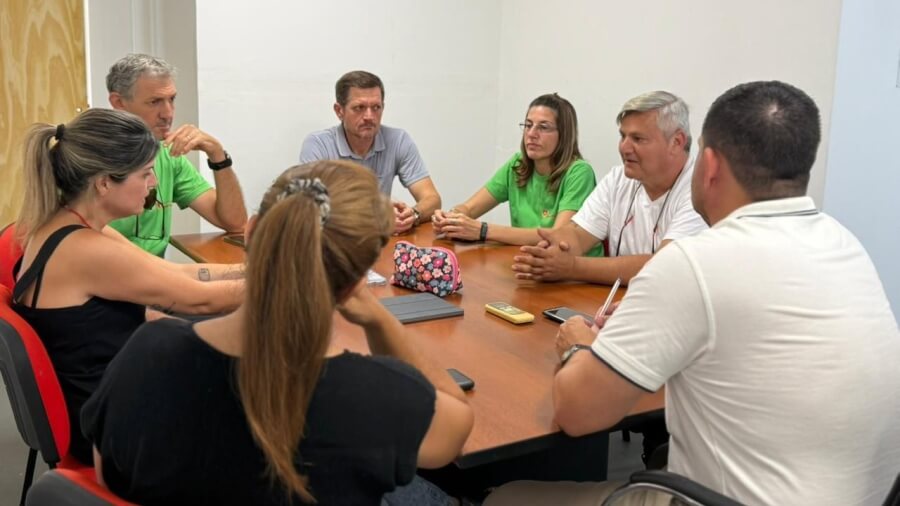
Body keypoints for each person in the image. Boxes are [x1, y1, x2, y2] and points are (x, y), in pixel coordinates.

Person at [487, 81, 900, 505]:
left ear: (709, 163)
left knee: (507, 497)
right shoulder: (845, 244)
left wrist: (579, 345)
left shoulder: (693, 261)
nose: (625, 147)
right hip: (861, 495)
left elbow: (577, 414)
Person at [82, 161, 474, 504]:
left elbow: (108, 475)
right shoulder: (378, 394)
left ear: (251, 232)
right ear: (358, 278)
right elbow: (454, 428)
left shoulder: (149, 351)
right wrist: (379, 319)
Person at [12, 109, 243, 466]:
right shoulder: (86, 250)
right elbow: (201, 302)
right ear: (105, 183)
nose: (154, 183)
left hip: (108, 401)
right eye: (145, 173)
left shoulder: (70, 223)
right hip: (113, 432)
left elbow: (174, 273)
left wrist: (250, 270)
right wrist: (297, 282)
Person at [512, 91, 707, 285]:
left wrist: (572, 267)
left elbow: (664, 266)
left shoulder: (699, 190)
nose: (624, 148)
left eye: (638, 139)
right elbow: (579, 235)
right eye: (623, 136)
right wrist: (551, 250)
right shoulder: (618, 179)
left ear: (676, 142)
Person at [106, 53, 248, 256]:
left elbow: (235, 223)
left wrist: (218, 155)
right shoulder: (88, 157)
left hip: (156, 273)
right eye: (154, 101)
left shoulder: (168, 153)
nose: (168, 113)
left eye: (171, 99)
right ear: (119, 102)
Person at [431, 93, 602, 256]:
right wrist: (452, 217)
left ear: (564, 135)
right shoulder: (518, 164)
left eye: (543, 127)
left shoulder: (579, 172)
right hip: (529, 261)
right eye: (528, 125)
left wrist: (483, 231)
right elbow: (470, 208)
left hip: (573, 272)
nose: (532, 134)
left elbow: (557, 237)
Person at [299, 70, 441, 234]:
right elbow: (310, 208)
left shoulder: (398, 140)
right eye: (359, 108)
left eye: (376, 108)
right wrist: (377, 219)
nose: (369, 116)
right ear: (339, 111)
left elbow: (432, 199)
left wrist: (413, 215)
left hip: (381, 242)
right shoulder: (318, 144)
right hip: (336, 241)